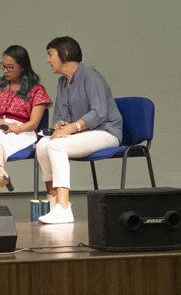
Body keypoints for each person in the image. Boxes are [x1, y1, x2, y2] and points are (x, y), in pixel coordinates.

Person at [35, 36, 123, 224]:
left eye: (50, 54)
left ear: (65, 54)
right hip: (83, 134)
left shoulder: (90, 75)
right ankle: (53, 203)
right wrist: (60, 125)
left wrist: (73, 127)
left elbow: (100, 113)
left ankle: (63, 207)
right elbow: (58, 115)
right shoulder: (61, 82)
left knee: (57, 146)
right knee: (42, 145)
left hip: (106, 132)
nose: (47, 60)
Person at [0, 44, 51, 206]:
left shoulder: (36, 90)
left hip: (22, 132)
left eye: (11, 67)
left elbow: (34, 123)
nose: (6, 71)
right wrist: (1, 123)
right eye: (4, 66)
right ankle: (1, 172)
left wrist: (16, 128)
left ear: (22, 67)